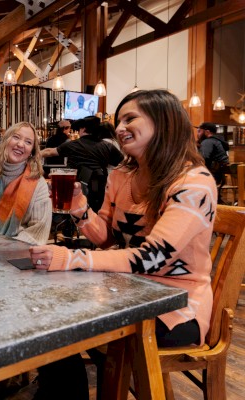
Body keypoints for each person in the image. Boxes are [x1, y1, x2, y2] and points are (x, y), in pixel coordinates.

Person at [28, 89, 216, 400]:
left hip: (176, 306)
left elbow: (152, 258)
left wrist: (73, 259)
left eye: (130, 118)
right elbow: (107, 238)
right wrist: (80, 209)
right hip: (125, 290)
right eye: (118, 120)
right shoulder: (123, 174)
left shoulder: (194, 182)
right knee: (44, 311)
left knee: (58, 325)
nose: (119, 128)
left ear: (163, 122)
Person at [40, 115, 124, 213]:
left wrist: (33, 155)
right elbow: (124, 163)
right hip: (101, 189)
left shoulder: (73, 144)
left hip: (75, 189)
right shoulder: (107, 146)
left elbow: (49, 152)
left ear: (83, 129)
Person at [197, 122, 230, 204]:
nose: (198, 134)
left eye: (199, 131)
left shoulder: (208, 142)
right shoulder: (217, 141)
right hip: (218, 174)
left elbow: (202, 158)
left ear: (207, 132)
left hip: (211, 174)